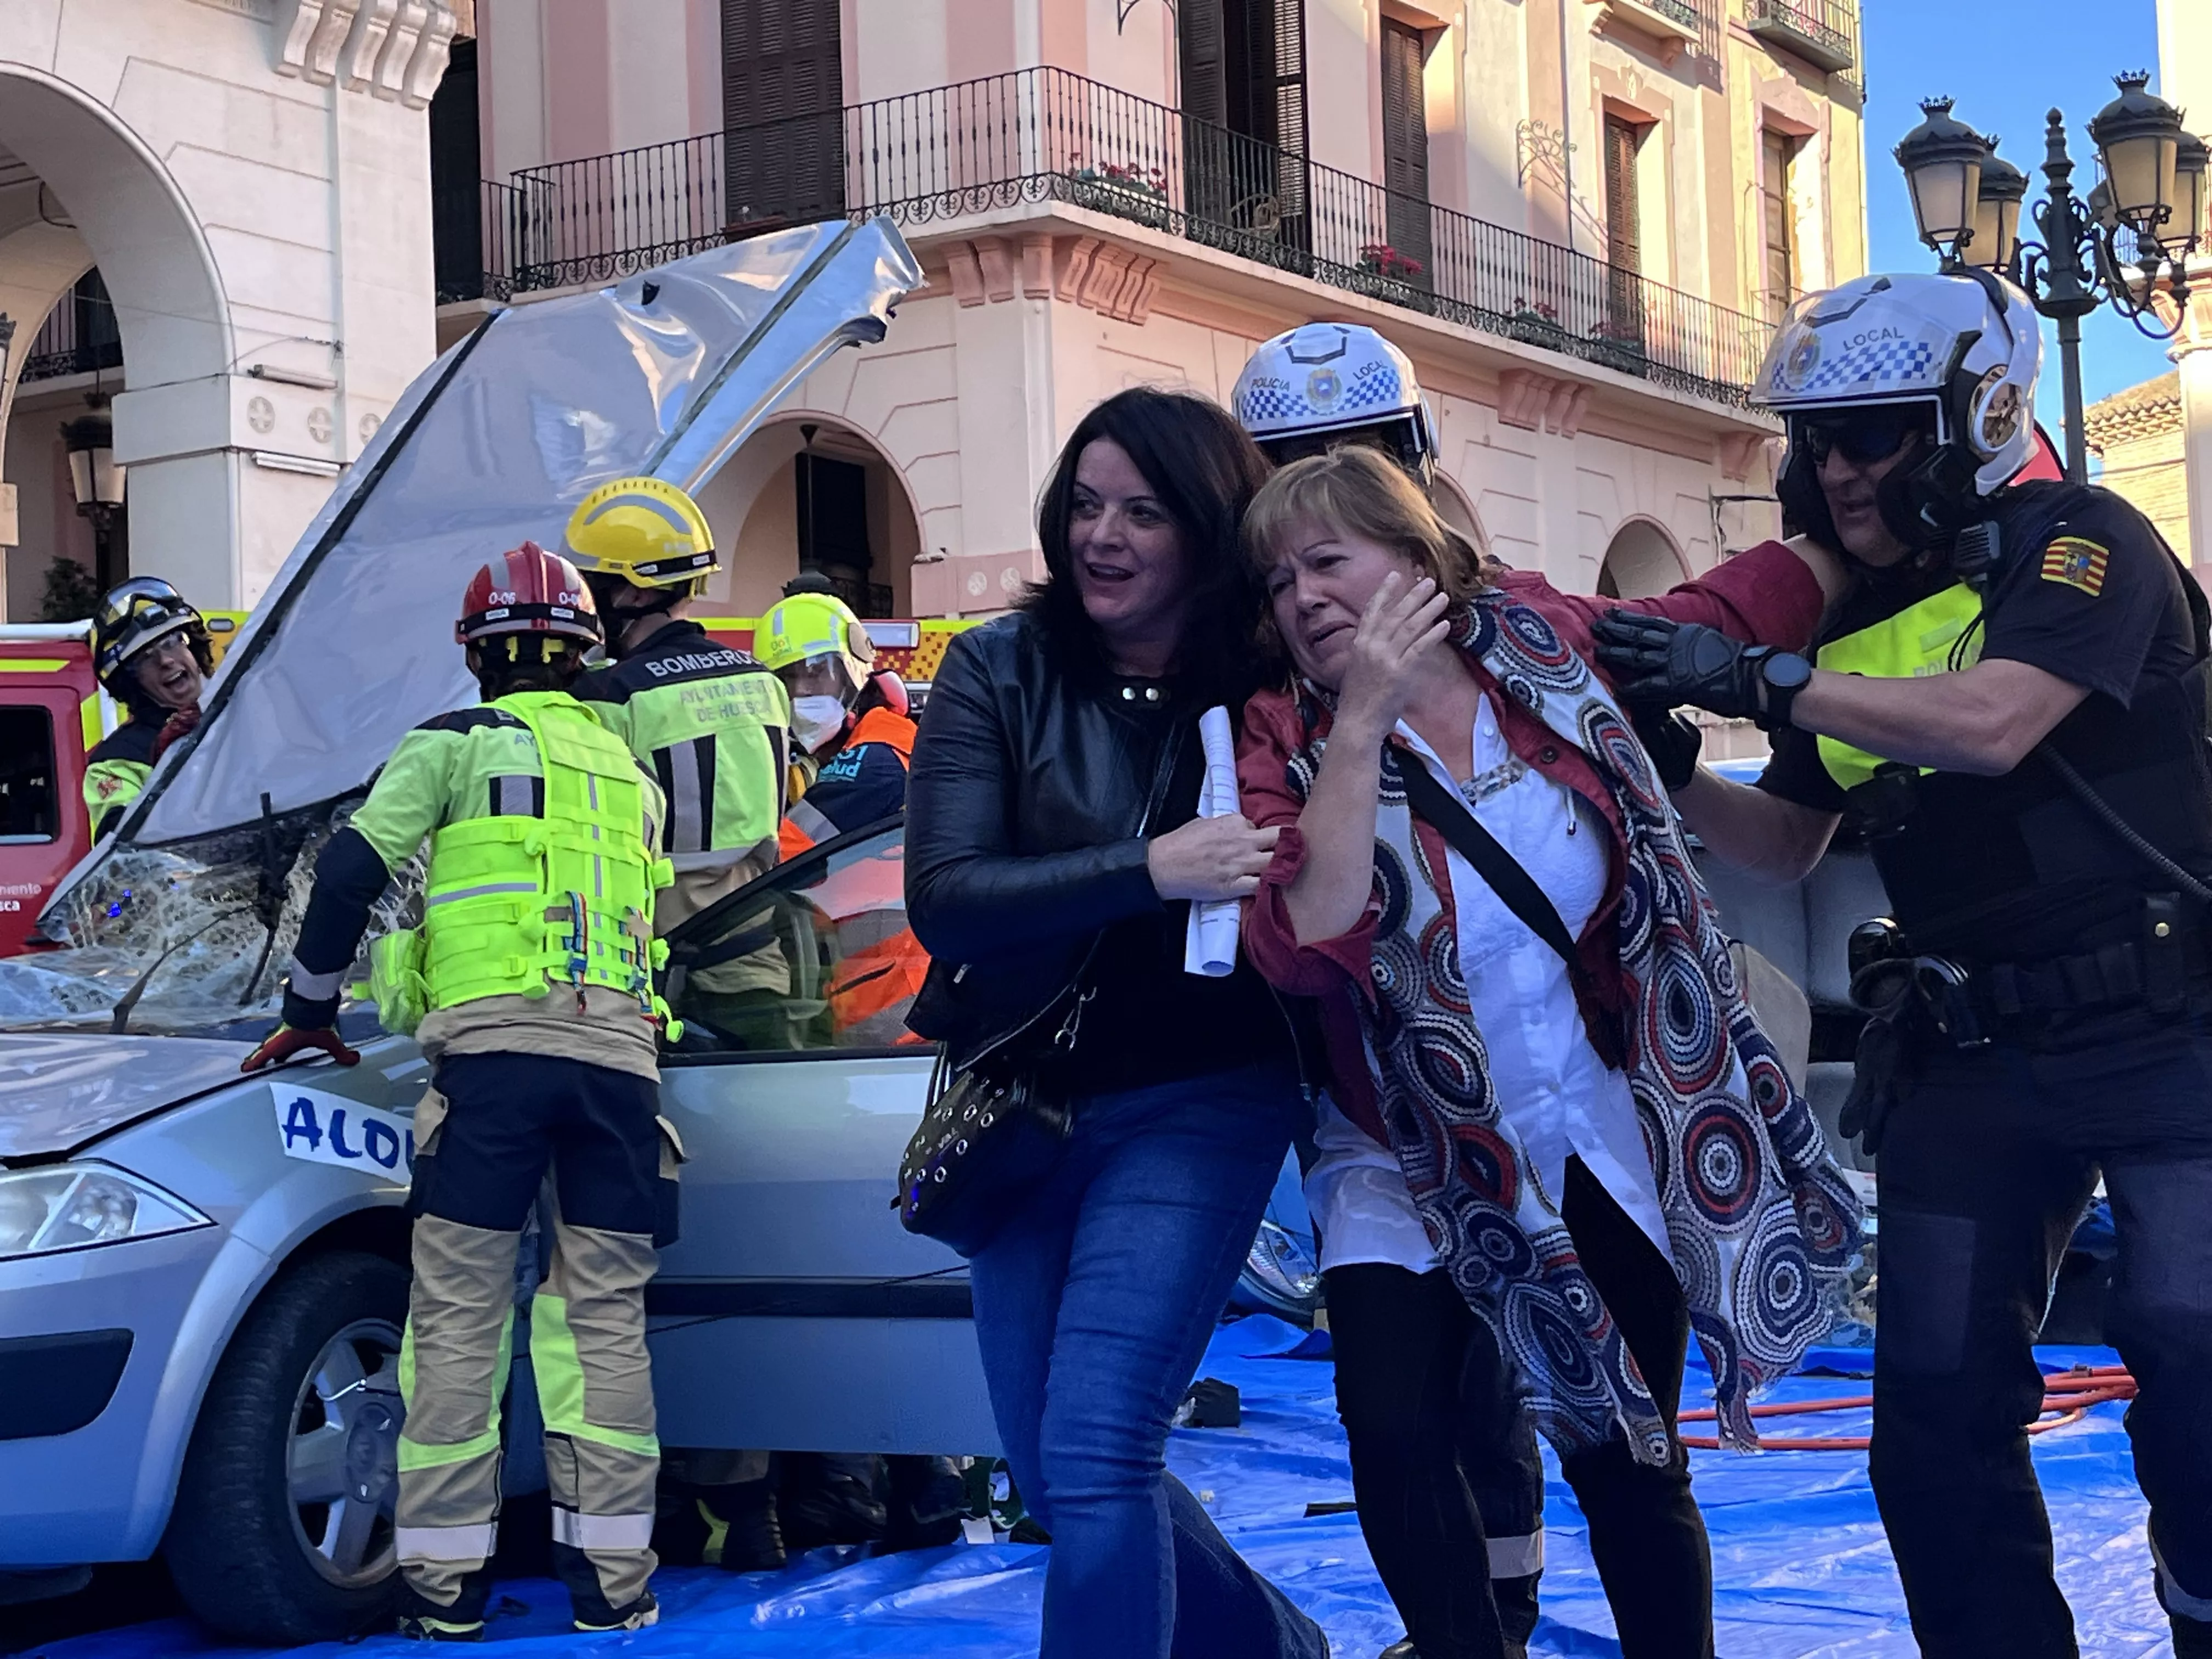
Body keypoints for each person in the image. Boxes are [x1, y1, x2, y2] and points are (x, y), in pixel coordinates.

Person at [1592, 268, 2212, 1659]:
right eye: (1815, 440)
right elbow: (1786, 844)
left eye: (1872, 433)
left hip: (2169, 1031)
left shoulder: (2085, 542)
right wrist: (1668, 756)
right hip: (1971, 1050)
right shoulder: (1857, 615)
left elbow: (1993, 722)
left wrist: (1761, 680)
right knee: (1929, 1418)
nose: (1838, 468)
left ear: (1969, 419)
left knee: (2198, 1359)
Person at [1235, 447, 1863, 1659]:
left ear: (1417, 561)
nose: (1300, 597)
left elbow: (1711, 613)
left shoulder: (1545, 648)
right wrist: (1360, 719)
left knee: (1630, 1456)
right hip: (1400, 1149)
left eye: (1326, 562)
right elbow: (1308, 938)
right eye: (1274, 584)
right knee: (1398, 1437)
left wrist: (1845, 543)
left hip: (1588, 1122)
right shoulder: (1280, 734)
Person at [904, 386, 1328, 1659]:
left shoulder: (1275, 679)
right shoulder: (998, 665)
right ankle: (1274, 1644)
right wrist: (1150, 866)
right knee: (1051, 1474)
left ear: (1206, 528)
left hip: (1204, 1102)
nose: (1104, 535)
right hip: (1025, 1106)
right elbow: (947, 900)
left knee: (1098, 1447)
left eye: (1143, 511)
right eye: (1085, 505)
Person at [242, 543, 676, 1640]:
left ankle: (446, 1596)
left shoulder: (450, 745)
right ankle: (612, 1592)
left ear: (475, 657)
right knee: (601, 1329)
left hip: (492, 1076)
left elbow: (350, 871)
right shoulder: (633, 780)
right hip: (622, 1074)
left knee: (459, 1326)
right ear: (583, 653)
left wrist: (310, 1009)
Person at [1235, 320, 1547, 1657]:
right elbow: (1299, 927)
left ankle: (1509, 1615)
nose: (1324, 493)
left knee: (1501, 1390)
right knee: (1395, 1401)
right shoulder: (1254, 693)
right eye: (1295, 467)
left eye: (1355, 462)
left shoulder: (1524, 631)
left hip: (1537, 1101)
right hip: (1371, 1102)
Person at [567, 475, 793, 925]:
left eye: (594, 585)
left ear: (636, 591)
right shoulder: (764, 681)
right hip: (756, 931)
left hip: (660, 941)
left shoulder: (609, 697)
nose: (587, 603)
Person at [757, 590, 916, 859]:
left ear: (852, 675)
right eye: (788, 679)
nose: (802, 690)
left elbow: (784, 855)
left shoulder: (874, 758)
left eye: (815, 673)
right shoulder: (879, 739)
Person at [84, 577, 213, 838]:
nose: (166, 660)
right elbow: (125, 848)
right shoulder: (115, 762)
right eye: (145, 658)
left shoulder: (244, 708)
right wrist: (174, 766)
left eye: (171, 642)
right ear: (133, 682)